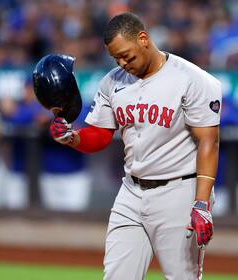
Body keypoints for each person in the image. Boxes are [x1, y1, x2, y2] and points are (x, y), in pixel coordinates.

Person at [50, 12, 221, 280]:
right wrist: (73, 137)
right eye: (116, 57)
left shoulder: (192, 79)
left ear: (143, 39)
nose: (122, 62)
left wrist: (201, 202)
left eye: (126, 55)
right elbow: (101, 135)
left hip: (179, 191)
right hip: (131, 191)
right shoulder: (112, 82)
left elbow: (208, 141)